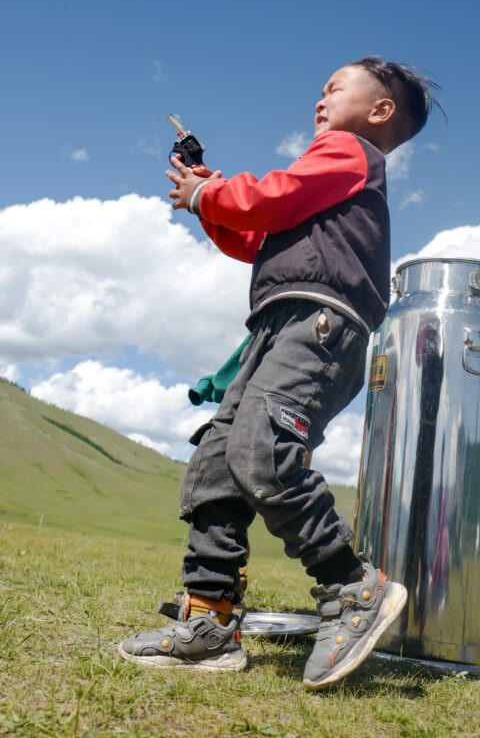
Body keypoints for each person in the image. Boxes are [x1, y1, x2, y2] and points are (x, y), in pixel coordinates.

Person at [118, 56, 443, 689]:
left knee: (262, 451)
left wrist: (208, 195)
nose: (319, 99)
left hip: (320, 323)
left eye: (334, 88)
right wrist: (209, 200)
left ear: (380, 111)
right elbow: (256, 234)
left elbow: (272, 197)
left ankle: (352, 586)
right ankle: (209, 622)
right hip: (277, 325)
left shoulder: (347, 153)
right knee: (217, 462)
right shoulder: (329, 176)